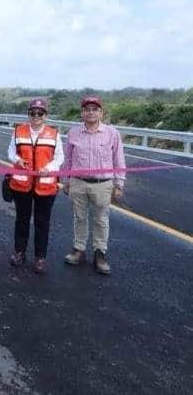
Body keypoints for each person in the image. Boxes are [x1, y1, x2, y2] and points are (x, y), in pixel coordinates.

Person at [62, 96, 125, 275]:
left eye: (95, 109)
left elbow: (118, 159)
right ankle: (79, 250)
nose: (91, 112)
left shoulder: (112, 133)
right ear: (82, 113)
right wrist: (66, 181)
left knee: (101, 220)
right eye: (87, 109)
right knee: (79, 217)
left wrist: (119, 184)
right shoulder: (73, 133)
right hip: (78, 183)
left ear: (101, 113)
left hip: (102, 184)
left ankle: (100, 253)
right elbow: (68, 159)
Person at [7, 98, 64, 274]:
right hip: (22, 184)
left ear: (45, 115)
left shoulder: (54, 134)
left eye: (40, 113)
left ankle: (40, 257)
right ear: (28, 114)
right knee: (22, 220)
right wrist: (17, 160)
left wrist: (49, 168)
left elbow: (59, 158)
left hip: (45, 186)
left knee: (42, 222)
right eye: (33, 113)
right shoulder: (18, 131)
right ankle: (19, 252)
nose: (36, 116)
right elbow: (10, 152)